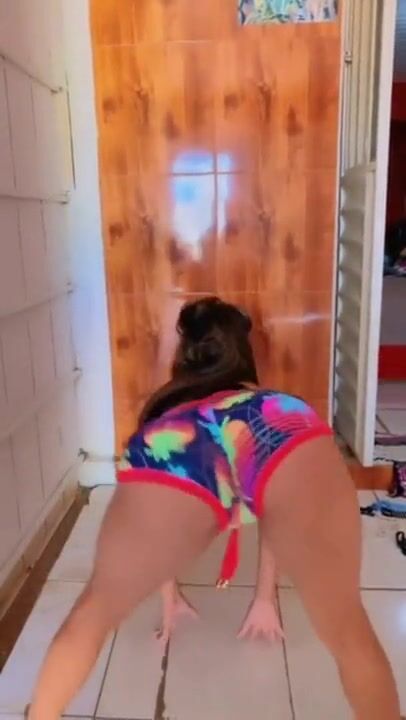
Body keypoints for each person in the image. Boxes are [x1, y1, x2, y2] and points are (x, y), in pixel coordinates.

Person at [28, 297, 401, 720]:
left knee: (92, 614)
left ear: (184, 357)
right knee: (349, 630)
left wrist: (168, 594)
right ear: (245, 353)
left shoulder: (165, 418)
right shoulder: (276, 406)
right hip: (279, 425)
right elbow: (278, 513)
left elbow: (158, 534)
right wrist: (265, 598)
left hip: (175, 443)